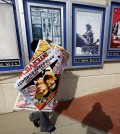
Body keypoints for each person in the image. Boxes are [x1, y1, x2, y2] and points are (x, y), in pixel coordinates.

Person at [29, 40, 56, 132]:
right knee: (45, 105)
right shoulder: (37, 59)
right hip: (42, 85)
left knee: (45, 105)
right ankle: (45, 126)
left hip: (46, 84)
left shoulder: (43, 57)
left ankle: (34, 117)